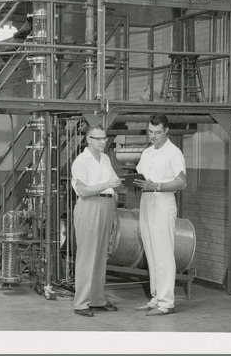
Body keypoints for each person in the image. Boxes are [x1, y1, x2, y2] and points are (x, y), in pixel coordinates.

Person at [134, 113, 187, 316]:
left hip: (163, 202)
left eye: (157, 132)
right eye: (150, 132)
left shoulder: (173, 153)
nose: (153, 136)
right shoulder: (147, 153)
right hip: (147, 202)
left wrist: (156, 185)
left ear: (166, 131)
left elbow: (182, 182)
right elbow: (142, 178)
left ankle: (166, 302)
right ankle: (156, 298)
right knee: (151, 252)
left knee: (163, 253)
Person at [71, 123, 122, 317]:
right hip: (89, 205)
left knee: (101, 255)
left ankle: (97, 300)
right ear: (88, 139)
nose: (103, 142)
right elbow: (82, 190)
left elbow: (113, 186)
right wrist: (106, 184)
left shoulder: (106, 159)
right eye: (98, 138)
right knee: (86, 256)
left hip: (107, 205)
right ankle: (81, 303)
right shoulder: (81, 161)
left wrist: (115, 214)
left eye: (104, 138)